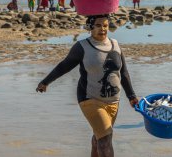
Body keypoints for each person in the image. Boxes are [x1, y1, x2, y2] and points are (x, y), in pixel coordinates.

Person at [36, 15, 138, 157]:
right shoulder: (82, 47)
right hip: (90, 98)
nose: (102, 29)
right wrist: (46, 82)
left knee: (99, 137)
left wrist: (131, 96)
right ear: (91, 27)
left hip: (114, 101)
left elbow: (123, 72)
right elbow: (64, 66)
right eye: (98, 25)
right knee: (105, 140)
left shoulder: (115, 44)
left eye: (105, 25)